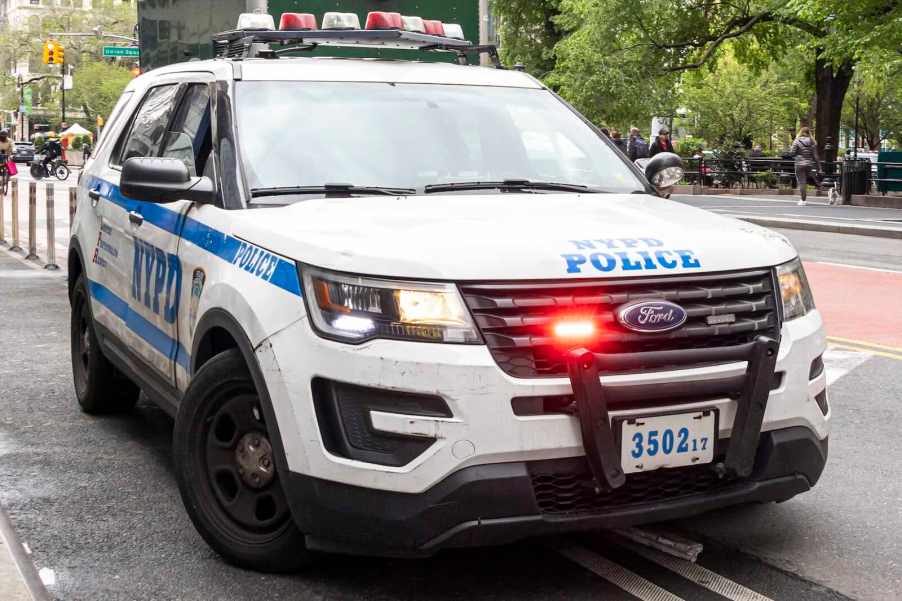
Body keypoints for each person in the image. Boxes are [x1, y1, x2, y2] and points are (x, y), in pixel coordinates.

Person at [791, 126, 821, 206]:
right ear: (809, 133)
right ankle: (816, 183)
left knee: (802, 182)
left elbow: (792, 153)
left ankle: (803, 200)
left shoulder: (796, 141)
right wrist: (819, 167)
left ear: (800, 132)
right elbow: (816, 156)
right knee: (806, 180)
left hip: (799, 164)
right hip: (809, 164)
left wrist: (796, 154)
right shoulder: (812, 141)